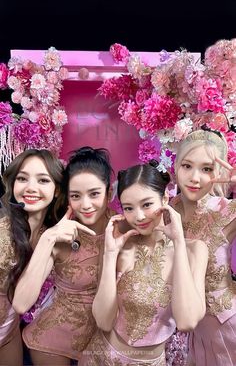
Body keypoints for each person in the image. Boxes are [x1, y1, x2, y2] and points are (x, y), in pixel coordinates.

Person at [80, 160, 208, 366]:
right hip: (101, 357)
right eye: (129, 208)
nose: (138, 216)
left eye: (147, 204)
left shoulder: (195, 250)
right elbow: (103, 321)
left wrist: (179, 242)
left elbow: (187, 321)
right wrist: (111, 254)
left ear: (165, 197)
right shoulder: (118, 244)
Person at [13, 146, 114, 365]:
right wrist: (49, 239)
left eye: (94, 194)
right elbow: (21, 304)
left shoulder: (125, 227)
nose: (85, 205)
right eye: (76, 196)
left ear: (110, 192)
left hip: (106, 342)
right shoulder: (59, 233)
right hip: (53, 341)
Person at [172, 128, 236, 366]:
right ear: (176, 166)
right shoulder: (166, 211)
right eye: (187, 166)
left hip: (227, 325)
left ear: (219, 172)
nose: (195, 177)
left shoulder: (227, 210)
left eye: (206, 169)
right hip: (192, 331)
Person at [0, 148, 65, 366]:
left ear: (57, 190)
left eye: (43, 180)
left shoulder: (53, 233)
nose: (31, 188)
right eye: (22, 178)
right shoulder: (2, 231)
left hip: (9, 332)